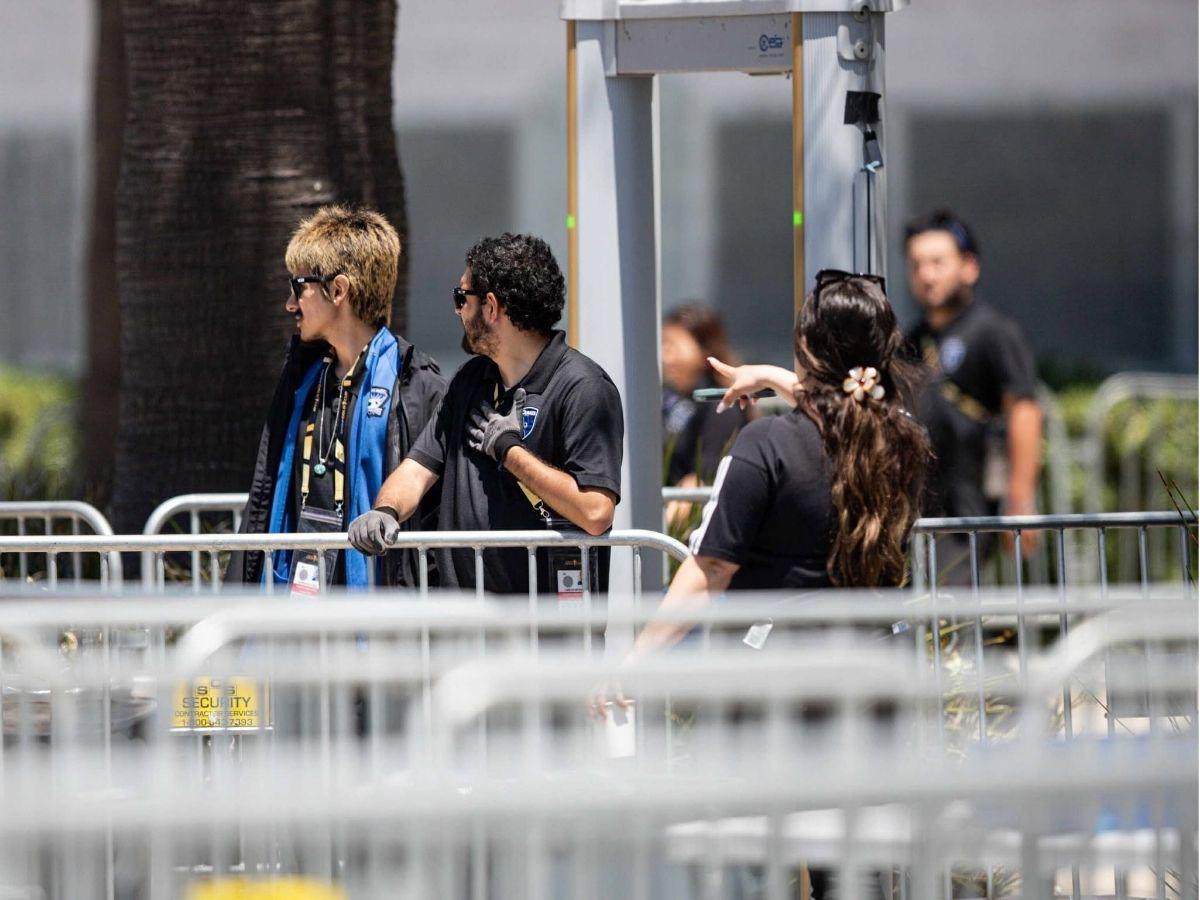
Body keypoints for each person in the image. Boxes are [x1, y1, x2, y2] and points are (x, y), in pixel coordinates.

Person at [591, 270, 930, 674]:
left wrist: (634, 662)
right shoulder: (904, 440)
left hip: (781, 679)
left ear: (805, 346)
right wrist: (770, 376)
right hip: (882, 664)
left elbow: (710, 570)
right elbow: (845, 409)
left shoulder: (767, 444)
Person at [347, 233, 624, 597]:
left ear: (491, 308)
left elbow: (595, 511)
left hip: (550, 636)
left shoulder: (583, 386)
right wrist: (385, 510)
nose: (458, 311)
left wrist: (510, 452)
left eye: (462, 299)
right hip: (467, 627)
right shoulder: (471, 380)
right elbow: (418, 468)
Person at [226, 205, 445, 590]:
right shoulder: (302, 378)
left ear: (339, 290)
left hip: (378, 613)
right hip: (296, 600)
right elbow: (267, 496)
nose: (290, 304)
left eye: (299, 287)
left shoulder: (416, 384)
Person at [903, 210, 1042, 580]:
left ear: (969, 267)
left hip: (968, 512)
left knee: (952, 620)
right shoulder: (910, 340)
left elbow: (1024, 410)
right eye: (916, 265)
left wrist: (1020, 499)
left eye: (937, 262)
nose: (926, 275)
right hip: (917, 511)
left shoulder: (994, 332)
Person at [661, 304, 748, 487]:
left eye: (673, 346)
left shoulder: (721, 403)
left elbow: (706, 474)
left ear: (704, 349)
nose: (666, 357)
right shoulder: (668, 398)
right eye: (663, 346)